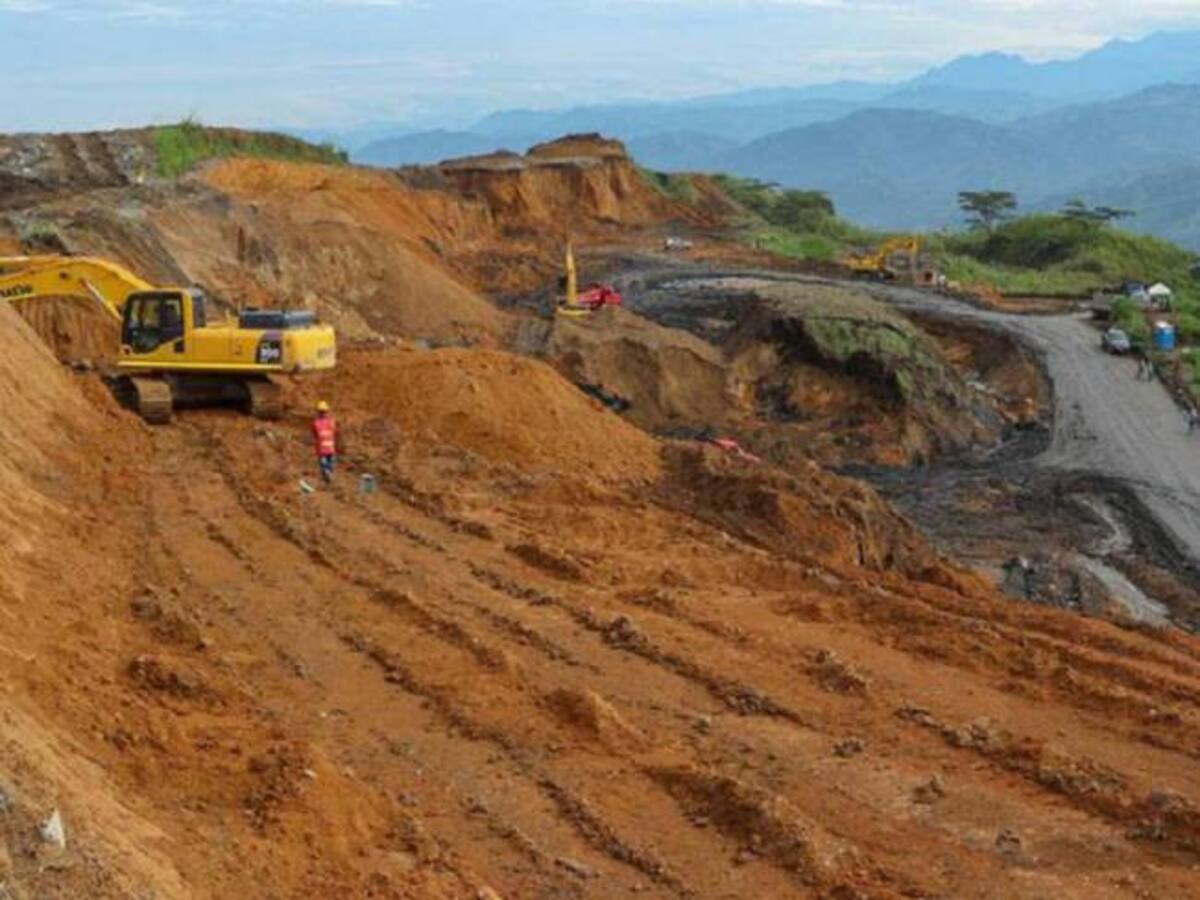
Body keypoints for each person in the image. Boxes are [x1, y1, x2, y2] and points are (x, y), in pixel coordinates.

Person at [312, 400, 337, 484]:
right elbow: (334, 432)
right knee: (329, 466)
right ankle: (328, 477)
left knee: (325, 467)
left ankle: (327, 476)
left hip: (322, 449)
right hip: (330, 448)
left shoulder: (316, 423)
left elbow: (314, 434)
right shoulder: (331, 422)